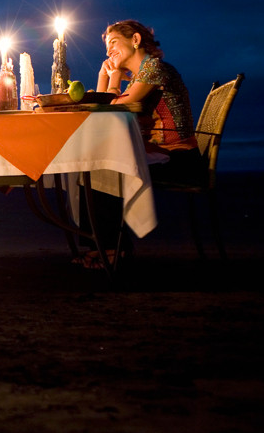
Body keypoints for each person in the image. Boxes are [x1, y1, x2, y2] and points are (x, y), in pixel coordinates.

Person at [78, 20, 202, 269]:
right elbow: (104, 110)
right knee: (95, 167)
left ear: (135, 40)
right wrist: (105, 75)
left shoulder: (154, 69)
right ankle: (104, 247)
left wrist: (112, 79)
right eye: (106, 47)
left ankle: (112, 249)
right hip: (165, 155)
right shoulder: (139, 77)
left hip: (181, 159)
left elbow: (113, 109)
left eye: (113, 42)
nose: (108, 51)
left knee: (103, 169)